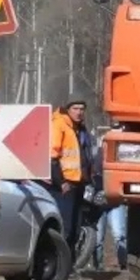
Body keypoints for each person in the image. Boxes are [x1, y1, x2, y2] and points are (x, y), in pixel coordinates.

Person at [50, 95, 92, 257]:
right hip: (64, 185)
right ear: (67, 110)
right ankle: (59, 265)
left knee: (75, 228)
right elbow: (52, 156)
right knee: (65, 228)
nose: (79, 112)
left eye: (82, 109)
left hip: (79, 183)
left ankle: (70, 266)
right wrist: (60, 182)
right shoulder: (59, 125)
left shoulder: (80, 129)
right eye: (75, 108)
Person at [90, 129, 128, 271]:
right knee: (97, 238)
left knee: (120, 235)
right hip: (99, 203)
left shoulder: (121, 158)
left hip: (116, 202)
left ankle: (123, 264)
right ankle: (97, 266)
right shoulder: (94, 158)